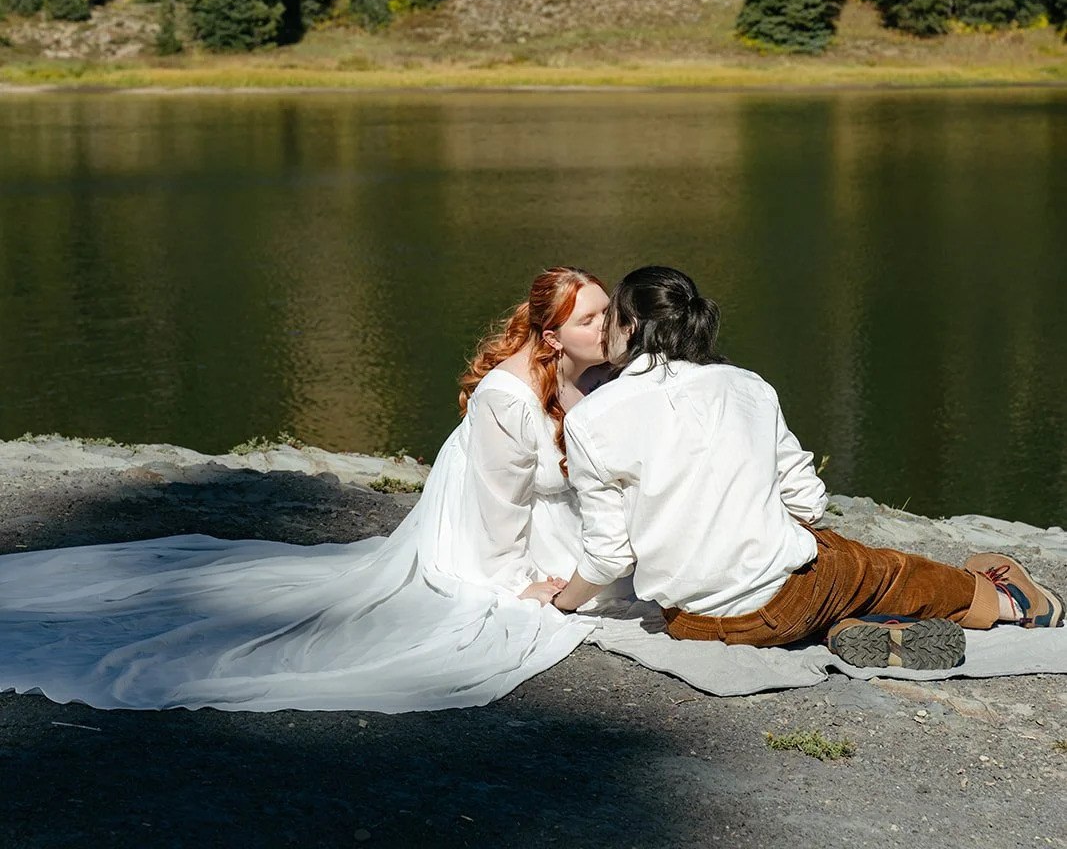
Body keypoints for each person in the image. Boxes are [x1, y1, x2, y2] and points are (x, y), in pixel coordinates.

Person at [0, 267, 610, 712]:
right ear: (551, 337)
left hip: (545, 519)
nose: (608, 326)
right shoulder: (506, 398)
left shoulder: (590, 368)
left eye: (606, 312)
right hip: (483, 528)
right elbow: (496, 510)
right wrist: (515, 583)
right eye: (591, 318)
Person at [549, 266, 1063, 671]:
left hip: (691, 621)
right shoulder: (746, 386)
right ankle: (1011, 602)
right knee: (879, 569)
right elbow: (807, 502)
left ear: (631, 326)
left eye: (610, 317)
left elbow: (609, 553)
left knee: (824, 576)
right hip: (785, 603)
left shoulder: (592, 418)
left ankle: (846, 628)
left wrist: (565, 603)